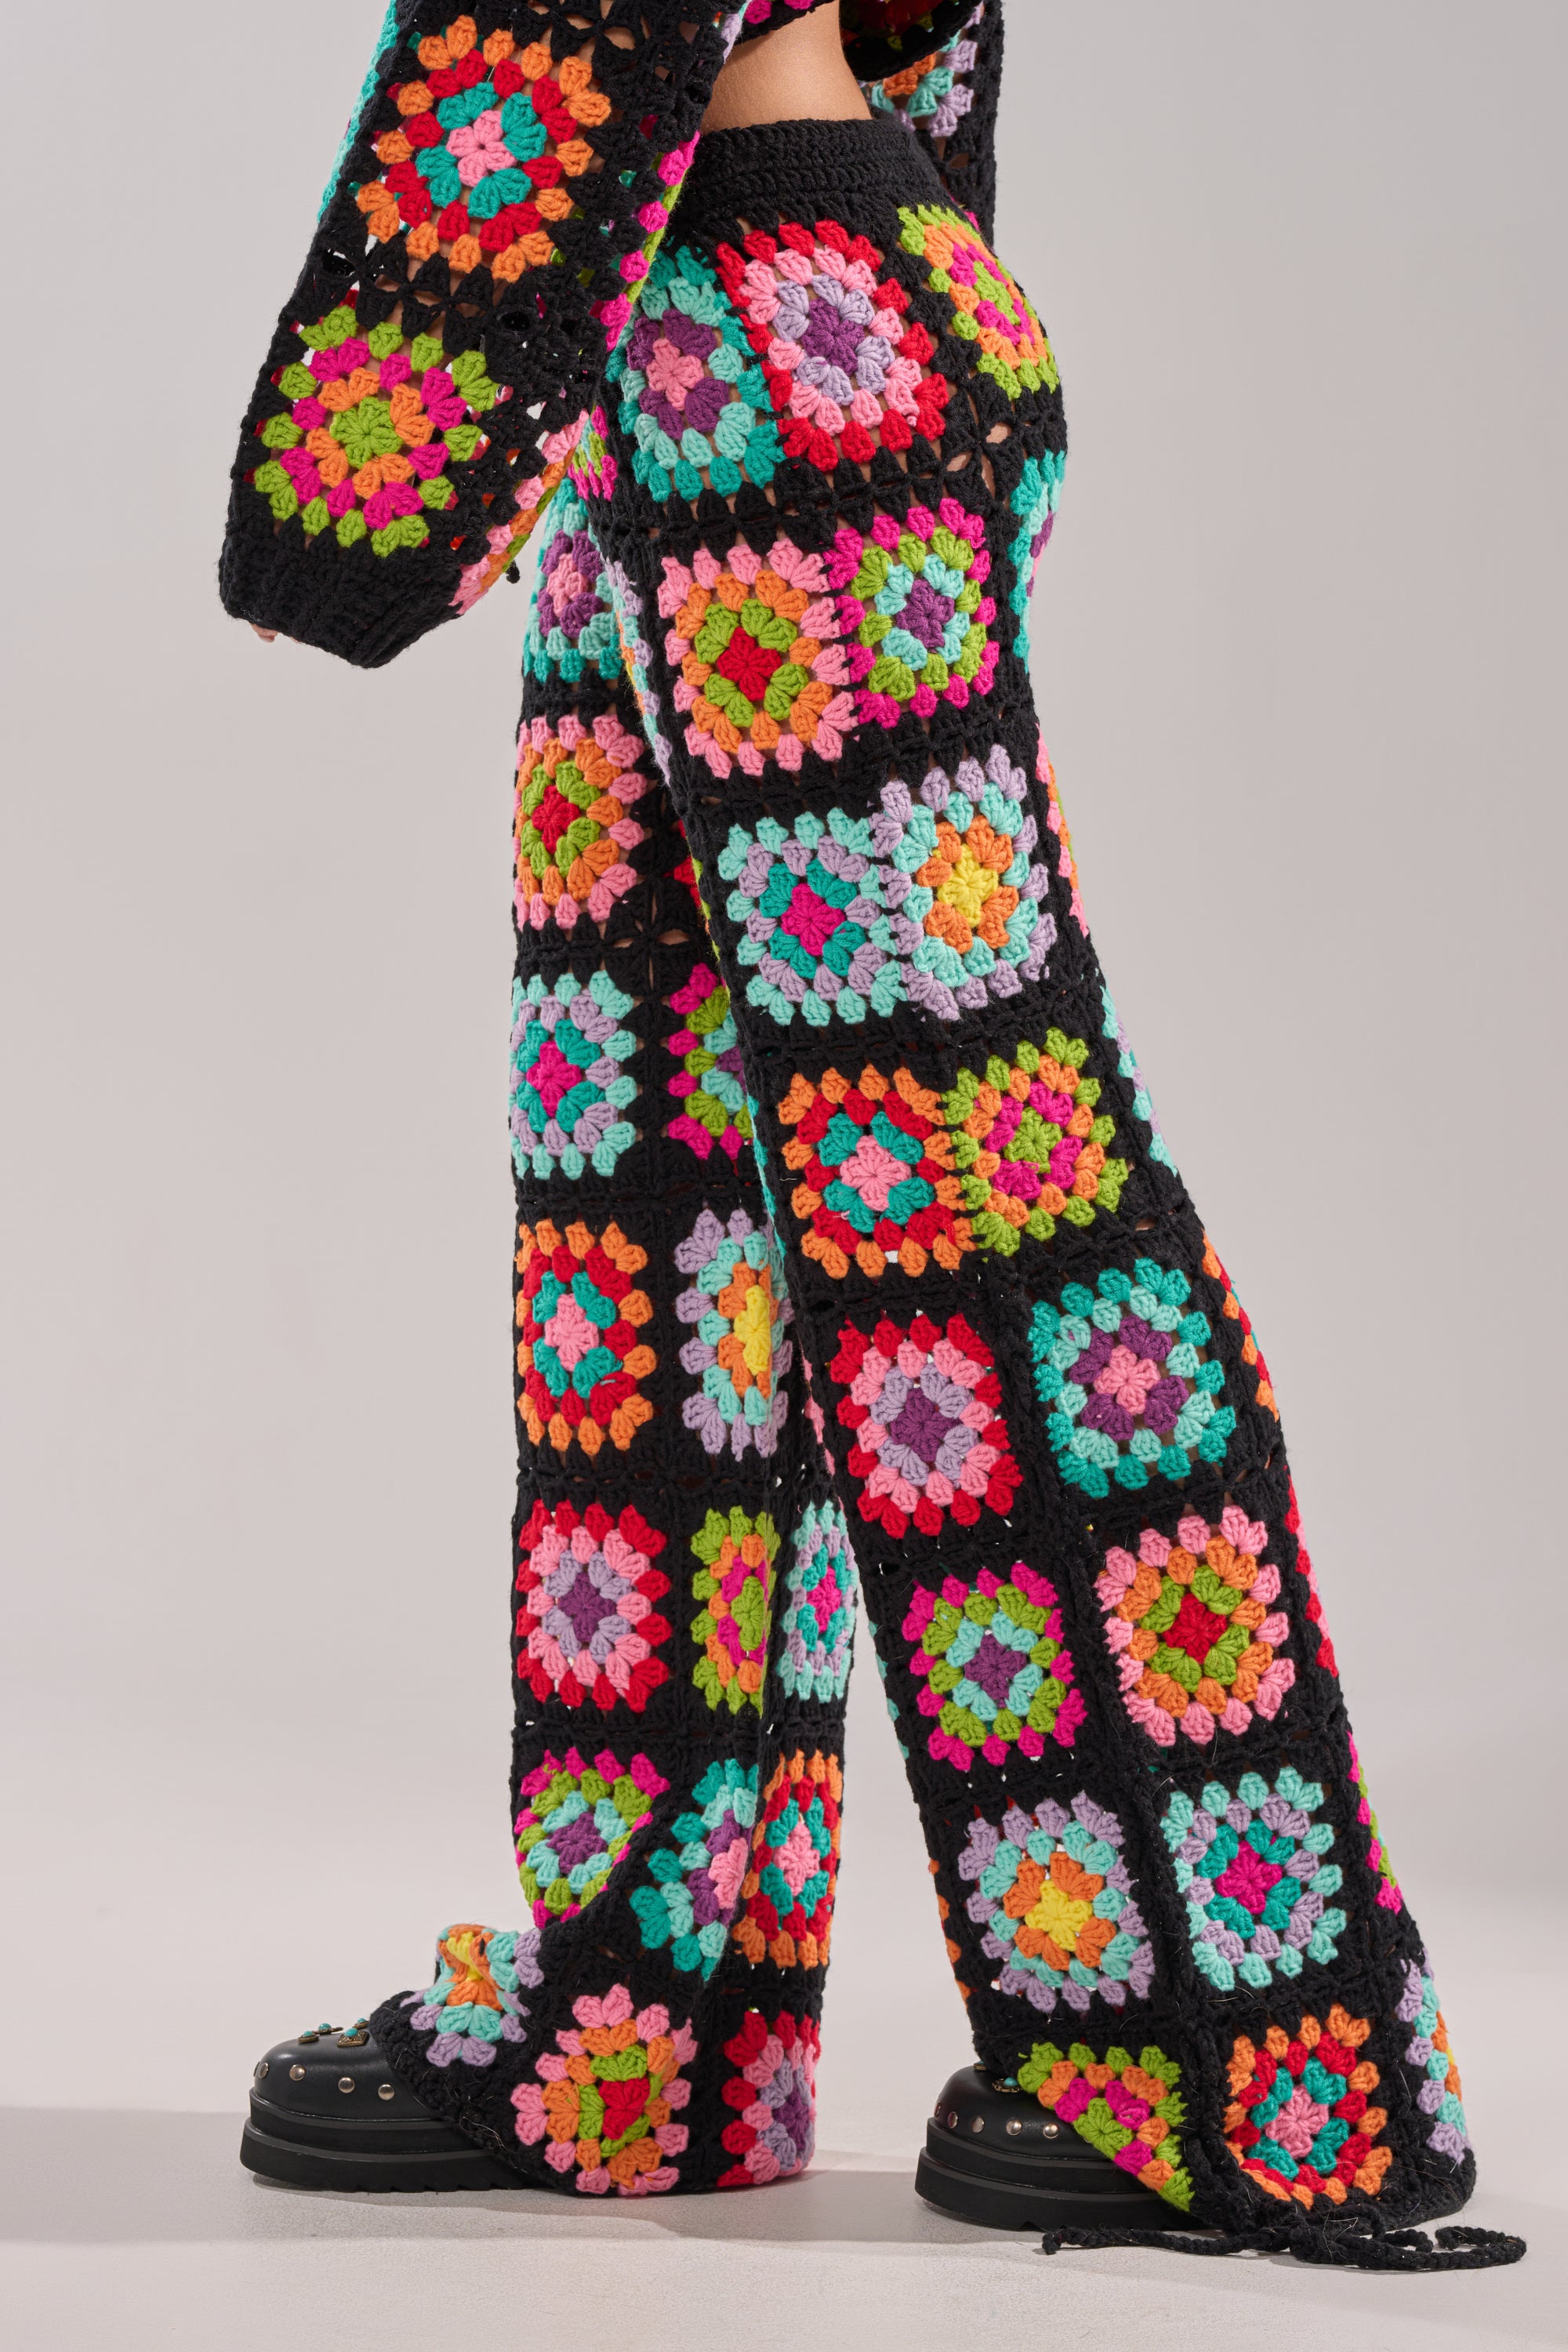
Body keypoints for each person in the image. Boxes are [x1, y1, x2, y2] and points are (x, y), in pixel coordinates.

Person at [221, 1, 1518, 2267]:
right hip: (770, 311)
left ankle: (1254, 2059)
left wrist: (343, 511)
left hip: (755, 348)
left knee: (992, 1220)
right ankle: (652, 2034)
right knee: (668, 1233)